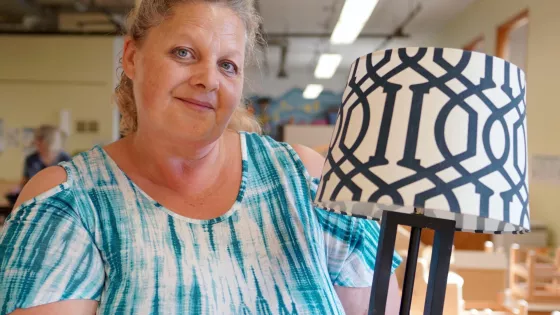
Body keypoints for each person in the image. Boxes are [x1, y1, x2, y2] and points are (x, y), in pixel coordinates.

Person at [0, 0, 402, 314]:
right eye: (184, 53)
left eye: (227, 65)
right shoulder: (70, 203)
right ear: (132, 58)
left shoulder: (305, 182)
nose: (208, 79)